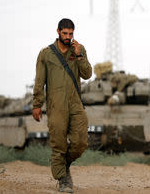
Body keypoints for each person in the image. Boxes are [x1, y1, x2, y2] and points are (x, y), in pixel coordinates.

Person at [32, 18, 92, 193]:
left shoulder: (79, 50)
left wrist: (79, 55)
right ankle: (63, 180)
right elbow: (39, 80)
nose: (68, 36)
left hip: (76, 103)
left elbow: (87, 74)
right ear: (58, 32)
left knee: (81, 141)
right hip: (56, 105)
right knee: (58, 144)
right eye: (64, 33)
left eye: (71, 33)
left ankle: (63, 165)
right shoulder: (46, 54)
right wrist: (37, 104)